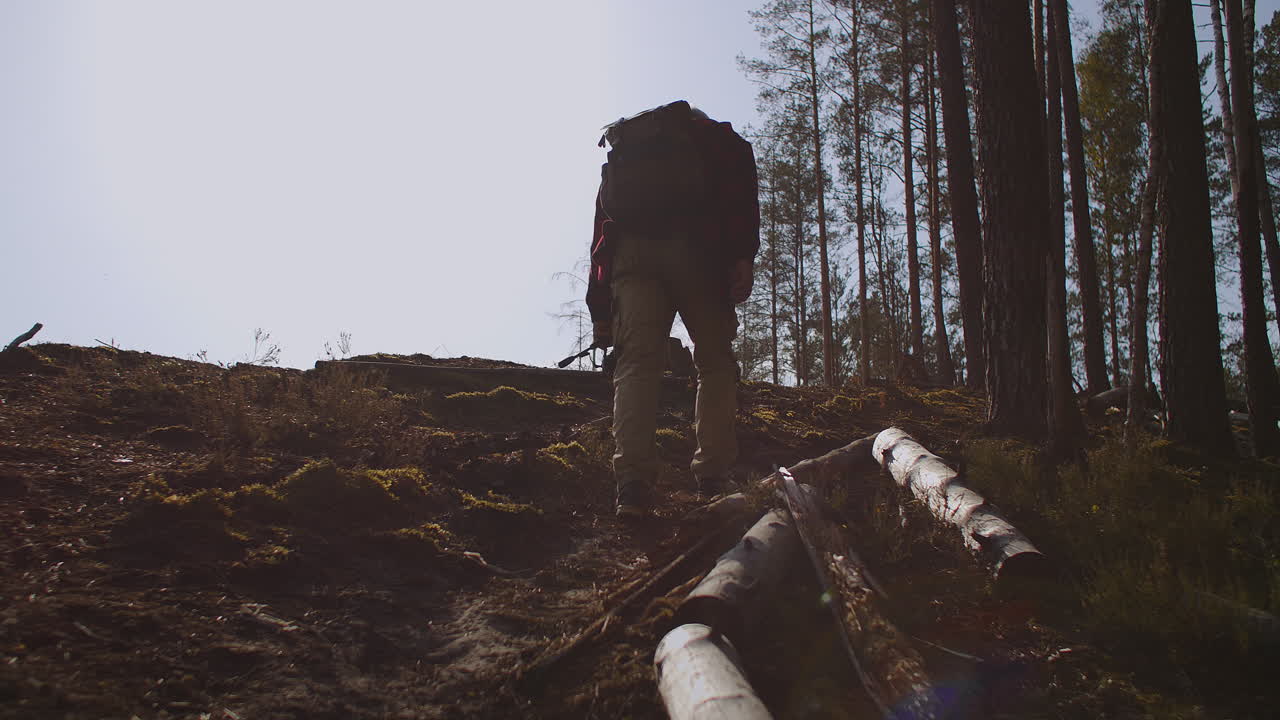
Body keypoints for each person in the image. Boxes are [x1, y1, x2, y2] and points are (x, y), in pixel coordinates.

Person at [585, 102, 759, 518]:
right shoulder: (717, 140)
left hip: (633, 261)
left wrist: (600, 308)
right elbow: (740, 199)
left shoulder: (629, 151)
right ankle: (714, 475)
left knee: (635, 367)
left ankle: (632, 485)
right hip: (699, 254)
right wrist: (742, 257)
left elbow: (601, 230)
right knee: (715, 363)